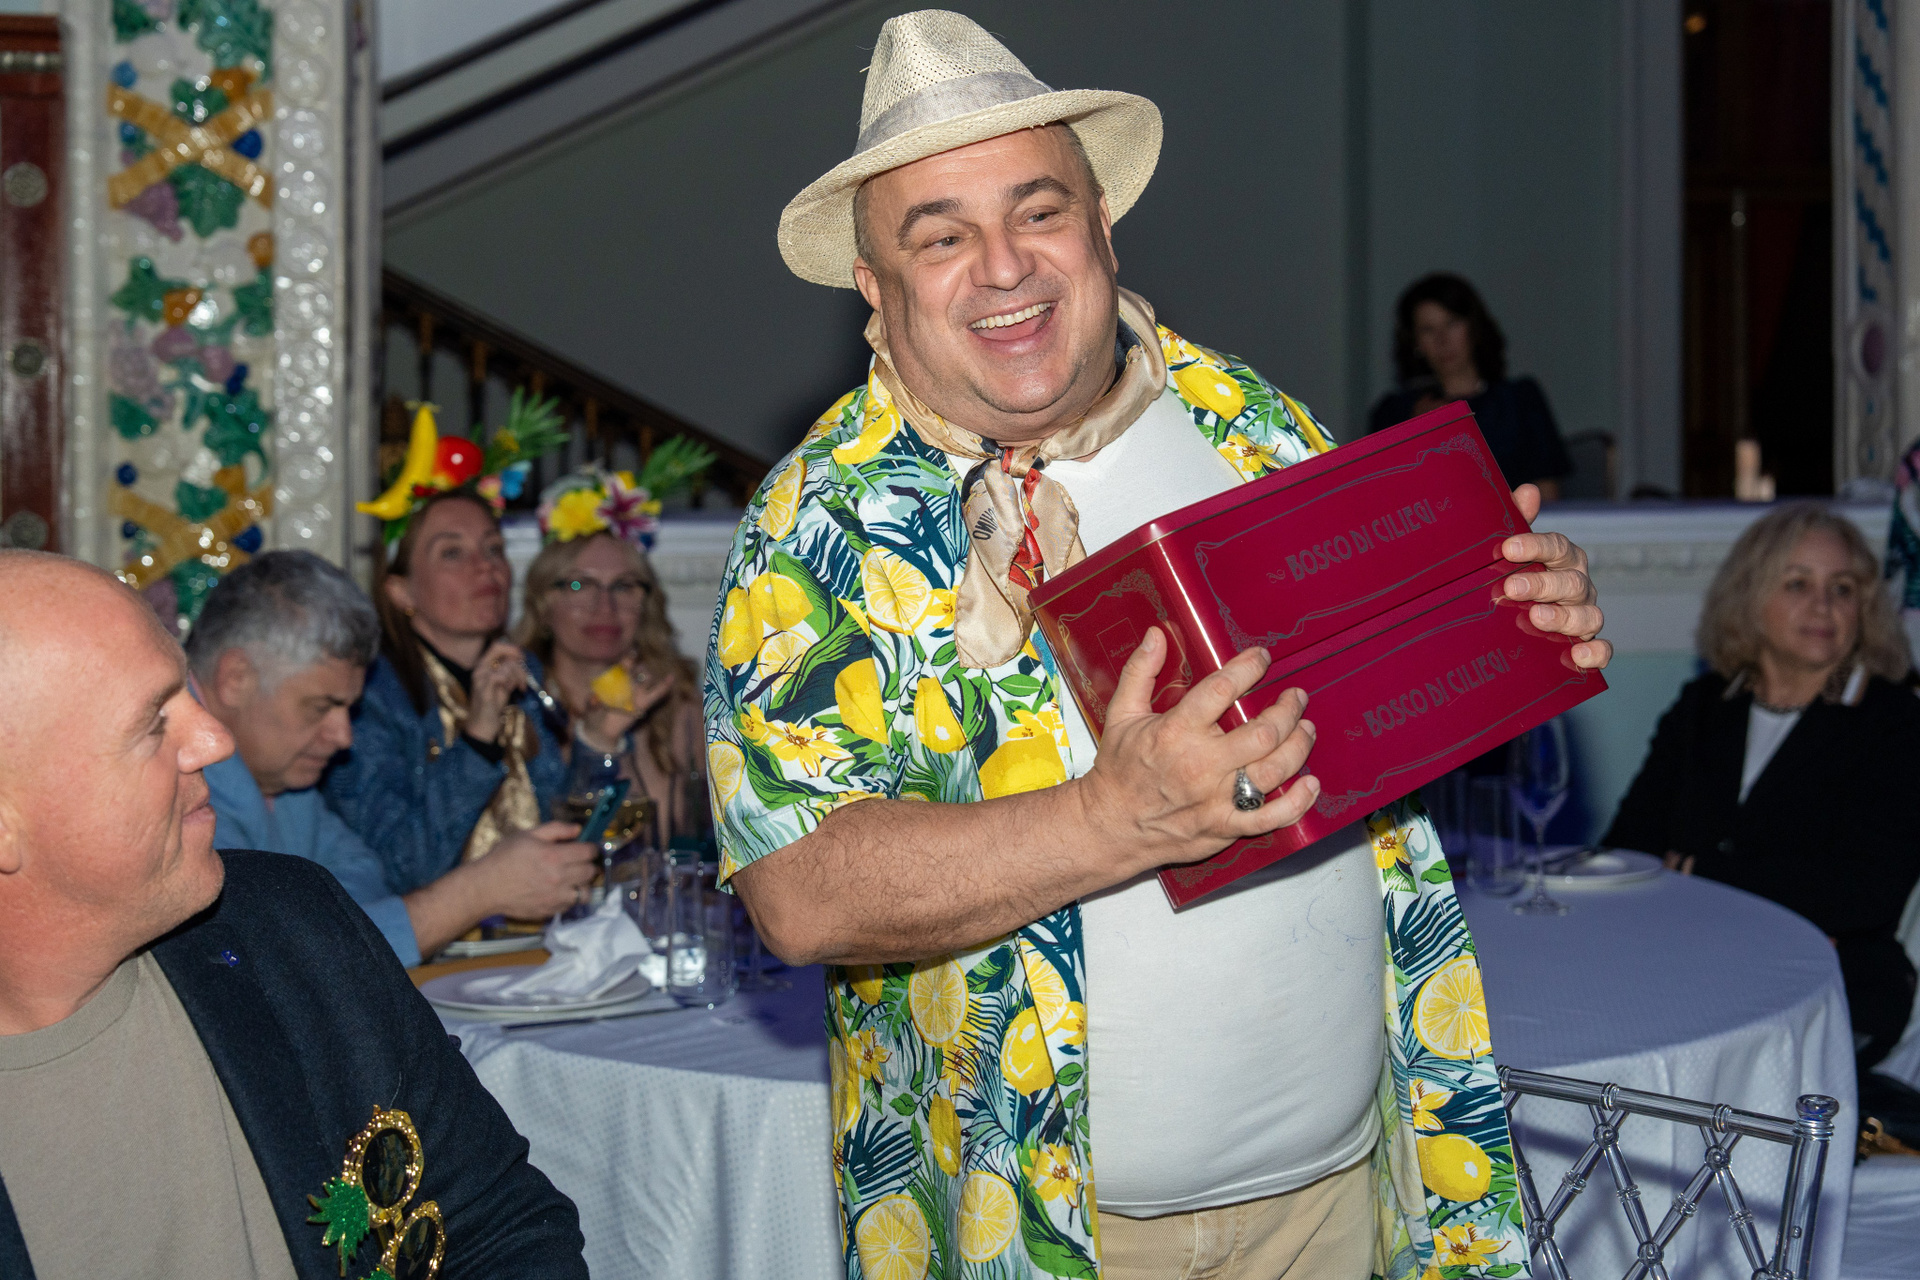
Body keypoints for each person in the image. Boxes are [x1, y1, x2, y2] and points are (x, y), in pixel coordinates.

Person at [709, 14, 1612, 1279]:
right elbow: (798, 893)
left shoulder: (1247, 421)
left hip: (1346, 1195)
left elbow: (1369, 707)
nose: (1005, 266)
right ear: (876, 286)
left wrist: (1503, 610)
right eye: (942, 236)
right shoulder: (813, 525)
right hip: (1050, 1234)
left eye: (1039, 211)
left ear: (1103, 227)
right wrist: (1114, 818)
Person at [0, 549, 587, 1279]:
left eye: (186, 694)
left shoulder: (293, 923)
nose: (215, 740)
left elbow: (501, 1230)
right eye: (154, 722)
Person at [1606, 504, 1920, 1068]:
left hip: (1831, 988)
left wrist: (1698, 871)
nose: (1823, 606)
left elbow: (1864, 892)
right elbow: (1628, 848)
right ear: (1750, 599)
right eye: (1798, 583)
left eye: (1843, 589)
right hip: (1684, 962)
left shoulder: (1893, 721)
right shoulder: (1704, 707)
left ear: (1865, 609)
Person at [190, 551, 596, 965]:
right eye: (320, 707)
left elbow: (365, 873)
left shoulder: (278, 774)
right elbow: (268, 963)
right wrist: (480, 891)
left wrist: (316, 929)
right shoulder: (170, 780)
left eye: (348, 709)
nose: (343, 737)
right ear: (236, 678)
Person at [323, 489, 586, 902]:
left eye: (494, 548)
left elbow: (565, 823)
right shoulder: (366, 697)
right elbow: (400, 869)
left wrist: (600, 741)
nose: (485, 566)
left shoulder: (523, 670)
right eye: (452, 553)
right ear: (402, 592)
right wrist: (478, 739)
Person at [514, 478, 704, 841]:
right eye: (579, 584)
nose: (605, 606)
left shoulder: (677, 704)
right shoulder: (516, 703)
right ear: (543, 604)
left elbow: (695, 839)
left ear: (646, 604)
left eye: (624, 586)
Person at [1368, 272, 1572, 497]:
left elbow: (1547, 492)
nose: (1442, 340)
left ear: (1473, 327)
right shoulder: (1395, 412)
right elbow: (1382, 497)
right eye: (1428, 330)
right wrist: (1412, 434)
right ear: (1415, 342)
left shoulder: (1520, 400)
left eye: (1452, 323)